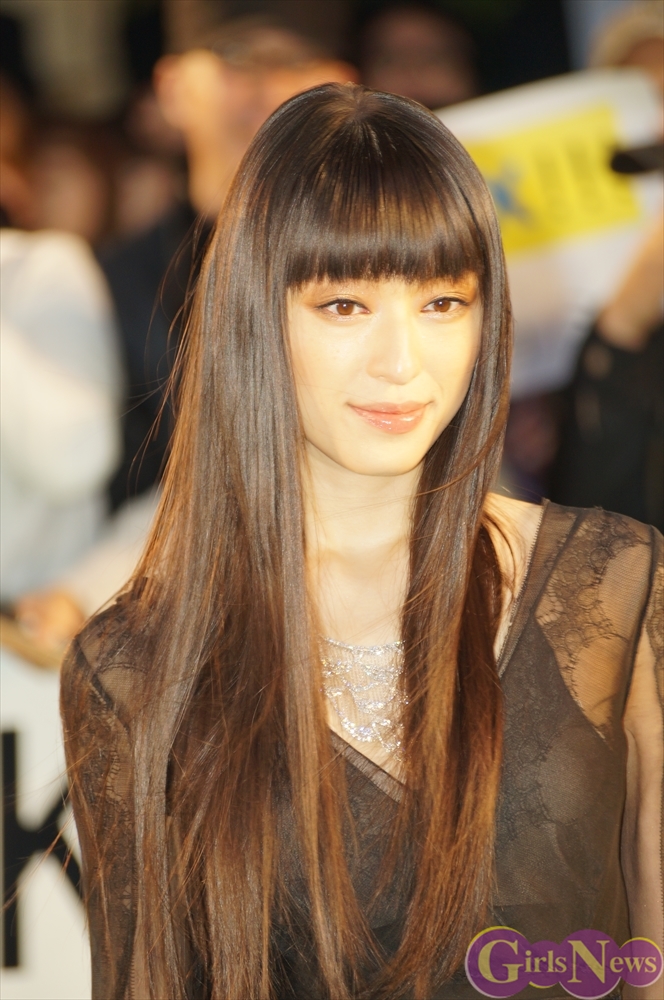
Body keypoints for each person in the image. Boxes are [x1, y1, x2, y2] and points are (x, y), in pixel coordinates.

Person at [60, 84, 662, 1000]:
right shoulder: (135, 670)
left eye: (443, 303)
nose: (402, 363)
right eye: (345, 305)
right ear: (257, 317)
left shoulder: (612, 588)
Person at [100, 18, 357, 508]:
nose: (269, 88)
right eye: (236, 57)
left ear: (346, 87)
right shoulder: (109, 287)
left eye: (296, 62)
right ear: (172, 87)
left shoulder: (394, 264)